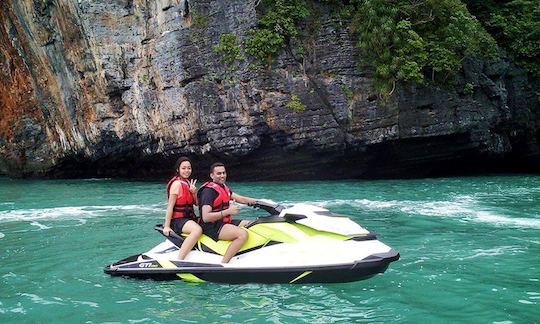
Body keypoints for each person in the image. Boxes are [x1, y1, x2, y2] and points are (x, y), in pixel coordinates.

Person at [198, 162, 258, 263]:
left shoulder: (223, 187)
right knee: (242, 235)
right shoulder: (208, 192)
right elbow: (206, 217)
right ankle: (224, 263)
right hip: (211, 226)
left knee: (254, 225)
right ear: (212, 175)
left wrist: (261, 202)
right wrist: (228, 211)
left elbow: (242, 199)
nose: (222, 176)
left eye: (224, 173)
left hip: (224, 222)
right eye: (219, 173)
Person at [163, 156, 202, 260]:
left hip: (188, 218)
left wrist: (194, 192)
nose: (187, 171)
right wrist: (166, 226)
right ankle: (180, 259)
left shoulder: (188, 183)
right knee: (197, 230)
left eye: (189, 168)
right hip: (177, 220)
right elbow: (170, 207)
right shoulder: (176, 184)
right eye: (183, 168)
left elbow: (197, 204)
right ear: (178, 169)